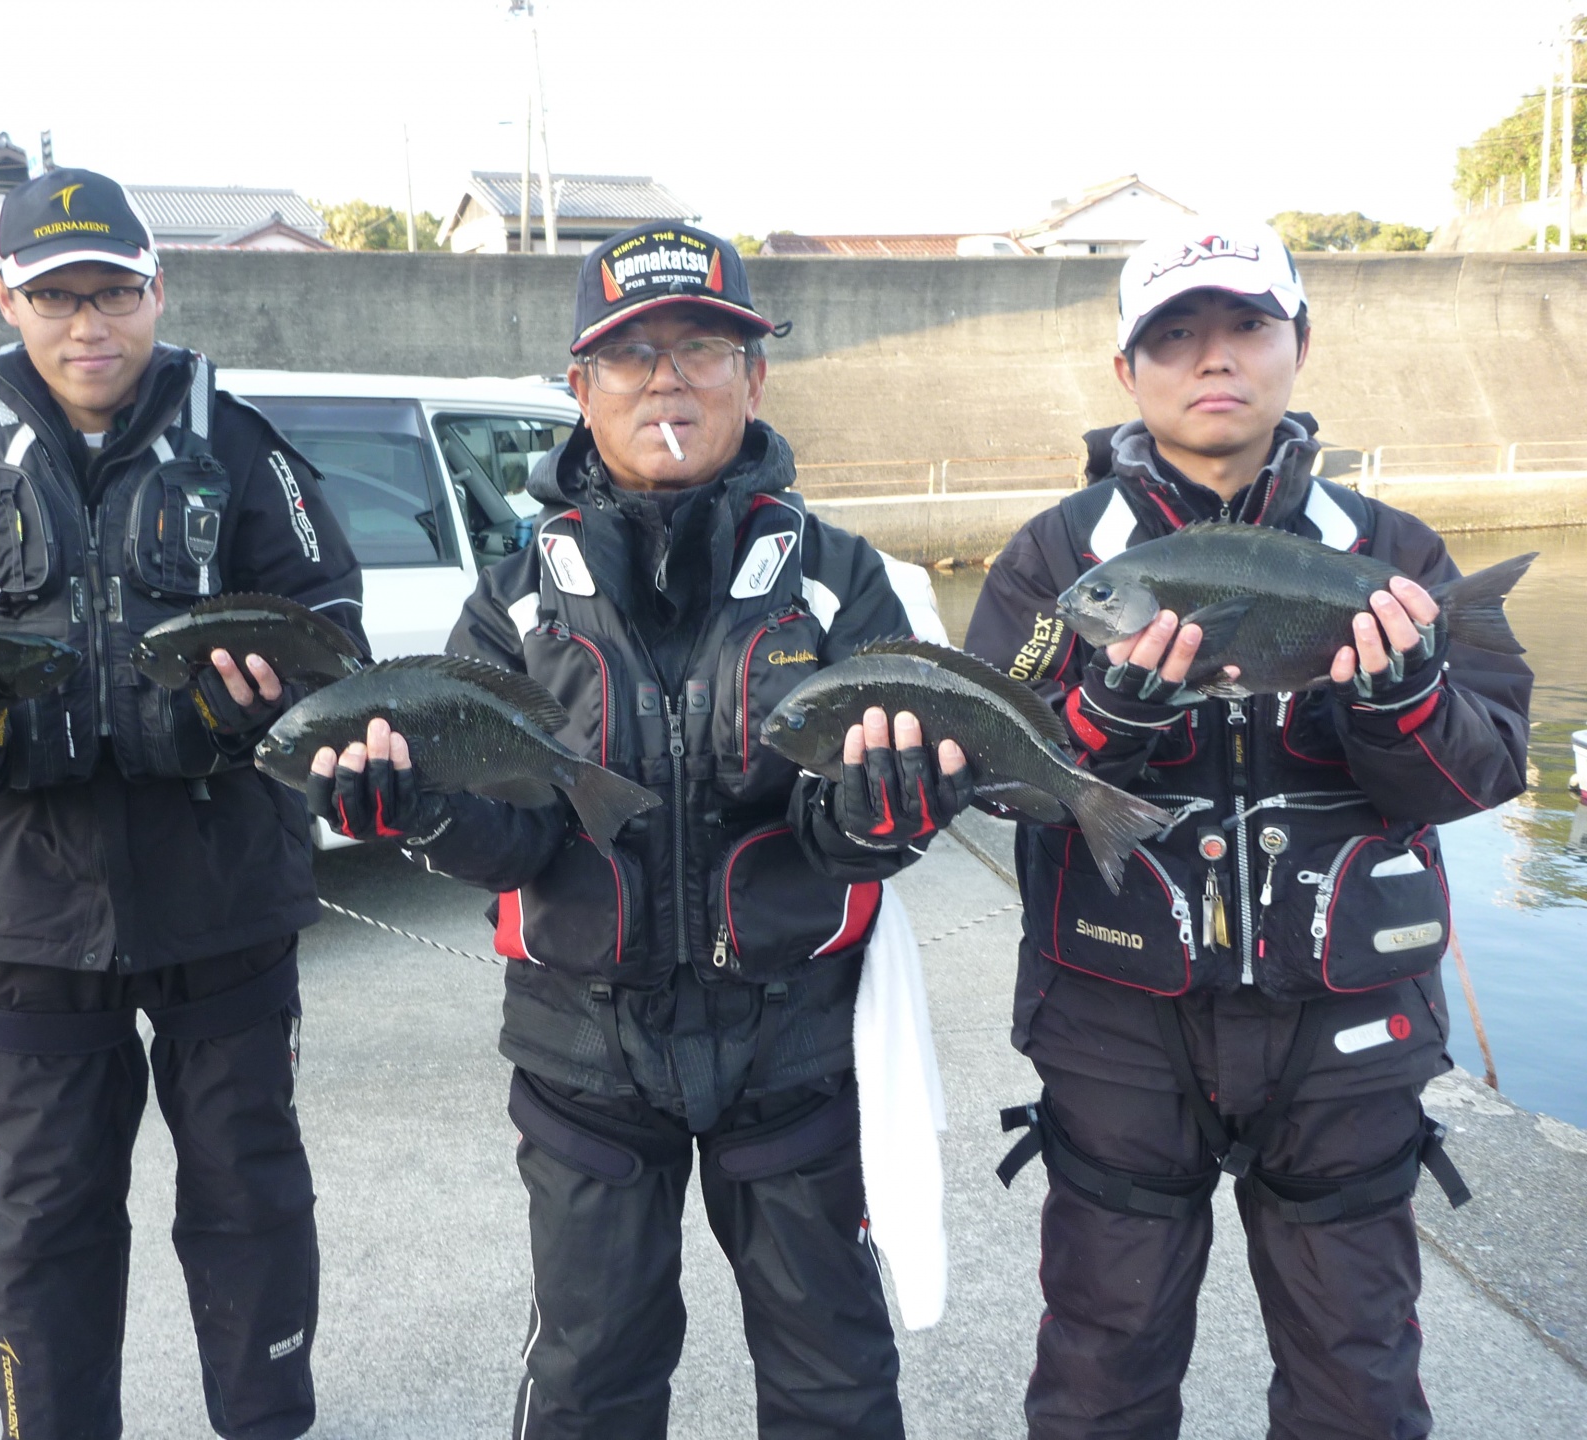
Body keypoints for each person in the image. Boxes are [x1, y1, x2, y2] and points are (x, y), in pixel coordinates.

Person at [303, 221, 966, 1439]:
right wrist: (422, 815)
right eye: (631, 355)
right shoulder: (511, 603)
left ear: (753, 377)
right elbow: (512, 844)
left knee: (835, 1380)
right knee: (589, 1385)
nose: (668, 381)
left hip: (799, 1052)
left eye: (702, 349)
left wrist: (887, 813)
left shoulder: (842, 579)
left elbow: (851, 839)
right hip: (584, 1059)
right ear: (581, 387)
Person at [963, 220, 1532, 1440]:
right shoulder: (1055, 559)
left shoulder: (1394, 552)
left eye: (1246, 326)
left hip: (1350, 1032)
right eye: (1174, 335)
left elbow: (1486, 769)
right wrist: (1108, 714)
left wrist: (1403, 697)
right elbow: (995, 776)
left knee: (1358, 1380)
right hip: (1116, 1022)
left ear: (1299, 346)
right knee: (1100, 1371)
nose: (1212, 356)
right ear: (1128, 369)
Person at [0, 167, 366, 1440]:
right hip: (28, 907)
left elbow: (331, 624)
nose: (89, 325)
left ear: (156, 291)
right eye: (56, 296)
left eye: (114, 292)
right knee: (50, 1207)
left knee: (249, 1189)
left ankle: (265, 1421)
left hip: (225, 893)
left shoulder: (239, 445)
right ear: (4, 297)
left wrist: (261, 702)